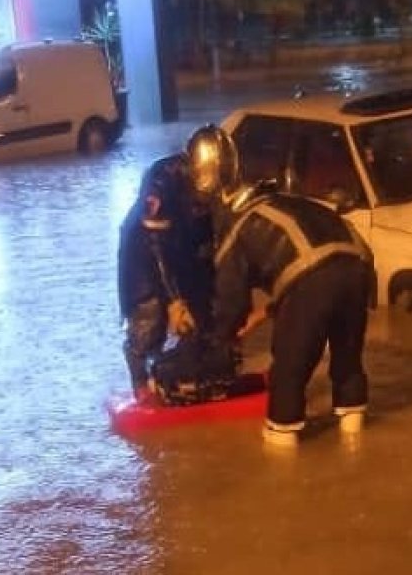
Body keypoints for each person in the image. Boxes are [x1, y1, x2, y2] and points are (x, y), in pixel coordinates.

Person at [186, 124, 375, 448]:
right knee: (348, 359)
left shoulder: (238, 226)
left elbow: (230, 302)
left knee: (289, 368)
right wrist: (269, 311)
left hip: (314, 278)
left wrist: (219, 342)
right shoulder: (282, 200)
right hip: (359, 264)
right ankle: (353, 436)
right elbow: (305, 262)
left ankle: (281, 442)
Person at [117, 152, 217, 405]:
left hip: (174, 264)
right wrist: (174, 300)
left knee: (196, 326)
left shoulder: (185, 183)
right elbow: (156, 249)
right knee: (148, 329)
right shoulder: (158, 192)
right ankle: (143, 389)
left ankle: (185, 380)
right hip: (143, 280)